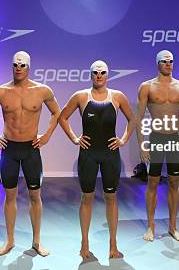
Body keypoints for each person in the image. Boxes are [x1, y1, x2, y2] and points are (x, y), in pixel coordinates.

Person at [0, 51, 61, 257]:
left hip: (31, 150)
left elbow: (56, 112)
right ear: (12, 66)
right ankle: (9, 241)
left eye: (22, 65)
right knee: (10, 196)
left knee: (35, 195)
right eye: (15, 65)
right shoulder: (1, 91)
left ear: (29, 67)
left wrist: (47, 135)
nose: (18, 68)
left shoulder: (42, 90)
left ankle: (36, 241)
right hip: (9, 149)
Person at [58, 60, 135, 259]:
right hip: (88, 155)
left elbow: (132, 119)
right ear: (90, 75)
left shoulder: (117, 97)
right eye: (95, 72)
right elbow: (62, 117)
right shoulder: (81, 96)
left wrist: (124, 139)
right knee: (87, 199)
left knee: (111, 198)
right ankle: (84, 244)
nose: (99, 75)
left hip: (110, 155)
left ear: (108, 75)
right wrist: (75, 138)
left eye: (102, 72)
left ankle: (113, 246)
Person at [136, 50, 179, 242]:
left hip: (175, 139)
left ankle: (172, 226)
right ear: (157, 64)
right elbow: (138, 118)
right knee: (153, 182)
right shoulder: (147, 87)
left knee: (175, 182)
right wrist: (142, 145)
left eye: (171, 61)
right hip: (156, 139)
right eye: (164, 61)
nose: (168, 64)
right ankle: (150, 227)